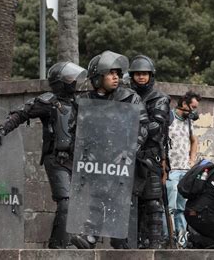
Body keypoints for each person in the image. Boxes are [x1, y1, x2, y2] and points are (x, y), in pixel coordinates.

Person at [0, 61, 87, 249]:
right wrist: (2, 130)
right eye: (69, 78)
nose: (74, 81)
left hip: (76, 161)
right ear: (60, 81)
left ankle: (71, 243)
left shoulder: (79, 103)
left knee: (77, 205)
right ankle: (56, 247)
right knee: (65, 202)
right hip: (56, 159)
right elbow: (21, 113)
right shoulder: (49, 102)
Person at [72, 50, 149, 249]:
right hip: (98, 157)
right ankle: (90, 236)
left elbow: (142, 127)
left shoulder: (129, 97)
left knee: (120, 199)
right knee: (97, 196)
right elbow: (78, 129)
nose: (115, 77)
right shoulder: (85, 100)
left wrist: (128, 152)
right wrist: (84, 153)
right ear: (98, 78)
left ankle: (120, 240)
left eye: (117, 73)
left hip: (122, 158)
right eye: (110, 73)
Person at [128, 55, 171, 249]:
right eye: (137, 74)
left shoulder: (159, 98)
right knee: (130, 203)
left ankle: (155, 244)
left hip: (150, 154)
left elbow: (156, 126)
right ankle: (131, 243)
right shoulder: (125, 96)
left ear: (150, 75)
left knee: (153, 203)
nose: (141, 77)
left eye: (144, 73)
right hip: (128, 154)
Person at [165, 91, 201, 245]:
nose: (193, 111)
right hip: (171, 170)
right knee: (170, 207)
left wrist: (191, 161)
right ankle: (168, 237)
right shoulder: (169, 117)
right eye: (192, 107)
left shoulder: (188, 121)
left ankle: (181, 240)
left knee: (182, 207)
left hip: (185, 171)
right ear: (184, 104)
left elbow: (194, 141)